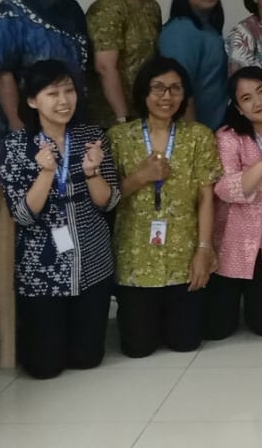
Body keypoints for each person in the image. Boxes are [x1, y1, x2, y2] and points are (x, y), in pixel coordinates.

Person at [0, 59, 119, 378]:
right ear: (32, 100)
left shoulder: (92, 136)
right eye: (52, 93)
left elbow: (108, 202)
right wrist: (46, 173)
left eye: (69, 91)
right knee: (44, 367)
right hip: (43, 269)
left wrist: (92, 172)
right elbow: (22, 215)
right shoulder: (16, 145)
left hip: (92, 262)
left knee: (87, 359)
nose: (64, 101)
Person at [108, 57, 221, 357]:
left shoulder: (199, 136)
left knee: (186, 343)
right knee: (138, 348)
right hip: (135, 257)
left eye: (175, 88)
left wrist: (204, 250)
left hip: (183, 256)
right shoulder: (119, 138)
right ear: (143, 92)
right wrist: (140, 177)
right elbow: (107, 198)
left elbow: (206, 197)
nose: (166, 96)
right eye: (158, 88)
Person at [203, 67, 262, 340]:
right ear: (238, 108)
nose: (258, 101)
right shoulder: (228, 137)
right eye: (247, 98)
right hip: (233, 244)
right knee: (217, 330)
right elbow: (224, 188)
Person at [0, 0, 91, 138]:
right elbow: (4, 75)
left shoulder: (73, 9)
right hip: (29, 122)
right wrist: (19, 132)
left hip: (72, 119)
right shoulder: (10, 10)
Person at [86, 0, 162, 127]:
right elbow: (105, 67)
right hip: (113, 118)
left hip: (146, 110)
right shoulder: (108, 6)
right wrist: (123, 119)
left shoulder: (151, 5)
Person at [159, 0, 229, 129]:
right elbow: (179, 87)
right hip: (193, 128)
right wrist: (193, 134)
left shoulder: (208, 27)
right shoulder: (181, 30)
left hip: (214, 126)